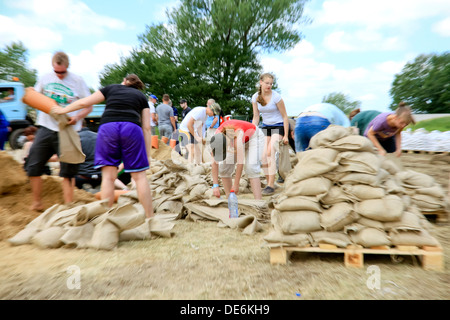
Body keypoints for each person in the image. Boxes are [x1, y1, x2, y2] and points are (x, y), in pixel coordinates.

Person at [52, 74, 154, 218]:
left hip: (108, 128)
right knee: (140, 177)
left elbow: (84, 103)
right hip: (131, 128)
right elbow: (147, 127)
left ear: (124, 81)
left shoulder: (110, 88)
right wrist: (147, 154)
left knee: (108, 177)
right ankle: (150, 218)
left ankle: (106, 219)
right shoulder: (141, 97)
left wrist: (62, 110)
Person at [25, 51, 92, 211]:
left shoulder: (77, 81)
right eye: (57, 72)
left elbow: (88, 106)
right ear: (52, 67)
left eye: (62, 72)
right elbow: (34, 96)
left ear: (67, 67)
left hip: (68, 130)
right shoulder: (45, 78)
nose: (59, 75)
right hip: (46, 128)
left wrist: (77, 118)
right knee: (33, 164)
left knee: (68, 170)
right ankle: (37, 203)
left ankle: (69, 206)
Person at [251, 73, 289, 196]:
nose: (269, 85)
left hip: (278, 126)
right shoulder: (255, 97)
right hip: (266, 127)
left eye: (271, 84)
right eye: (267, 83)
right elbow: (256, 117)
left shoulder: (276, 97)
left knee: (270, 152)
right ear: (261, 82)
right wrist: (252, 130)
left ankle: (271, 185)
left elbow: (284, 117)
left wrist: (286, 135)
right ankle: (269, 183)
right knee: (263, 157)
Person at [210, 119, 265, 200]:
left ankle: (259, 202)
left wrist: (236, 184)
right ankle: (230, 199)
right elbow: (214, 162)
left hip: (254, 137)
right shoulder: (216, 138)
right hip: (235, 140)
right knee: (224, 169)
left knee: (251, 168)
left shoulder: (237, 138)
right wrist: (215, 185)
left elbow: (240, 162)